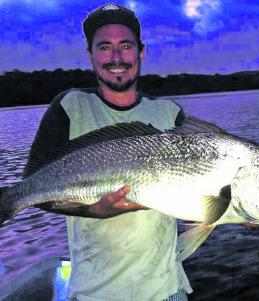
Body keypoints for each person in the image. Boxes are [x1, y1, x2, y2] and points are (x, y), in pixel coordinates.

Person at [23, 3, 192, 301]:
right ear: (91, 55)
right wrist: (92, 211)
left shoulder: (170, 113)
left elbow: (190, 194)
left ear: (141, 51)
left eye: (125, 46)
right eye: (104, 47)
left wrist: (243, 208)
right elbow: (31, 187)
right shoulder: (70, 106)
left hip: (166, 289)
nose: (116, 58)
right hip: (94, 292)